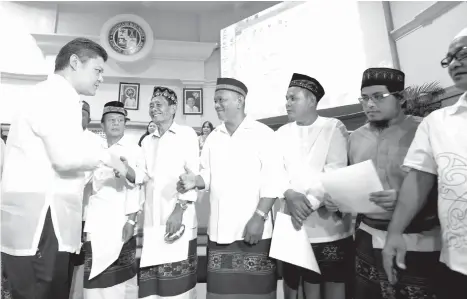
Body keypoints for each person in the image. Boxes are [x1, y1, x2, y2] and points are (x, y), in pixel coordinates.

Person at [0, 37, 127, 299]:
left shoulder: (58, 96)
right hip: (42, 217)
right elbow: (65, 158)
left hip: (46, 215)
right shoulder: (55, 96)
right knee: (41, 291)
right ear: (74, 62)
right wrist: (107, 158)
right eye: (97, 70)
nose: (101, 78)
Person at [328, 67, 441, 299]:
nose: (370, 104)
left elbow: (450, 183)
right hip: (367, 236)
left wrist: (406, 198)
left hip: (420, 237)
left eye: (379, 97)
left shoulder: (425, 130)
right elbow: (351, 181)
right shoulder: (355, 137)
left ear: (400, 98)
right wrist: (338, 200)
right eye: (365, 98)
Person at [178, 78, 282, 299]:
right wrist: (193, 181)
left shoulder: (263, 133)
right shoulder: (214, 137)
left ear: (240, 100)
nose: (216, 105)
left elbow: (273, 180)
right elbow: (207, 174)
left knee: (257, 293)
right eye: (215, 100)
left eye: (221, 100)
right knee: (220, 294)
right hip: (220, 231)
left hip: (252, 228)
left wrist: (259, 217)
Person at [383, 28, 467, 299]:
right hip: (458, 263)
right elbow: (418, 179)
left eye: (463, 54)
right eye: (449, 58)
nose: (454, 63)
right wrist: (394, 233)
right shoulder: (438, 122)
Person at [277, 73, 353, 299]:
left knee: (331, 283)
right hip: (290, 220)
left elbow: (335, 170)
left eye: (293, 98)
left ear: (311, 100)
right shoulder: (282, 132)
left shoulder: (333, 127)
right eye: (287, 98)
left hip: (325, 225)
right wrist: (289, 193)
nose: (287, 103)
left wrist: (306, 204)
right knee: (292, 283)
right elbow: (275, 170)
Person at [137, 87, 199, 299]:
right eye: (151, 105)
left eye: (159, 105)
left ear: (173, 108)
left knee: (177, 287)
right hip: (152, 217)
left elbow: (193, 175)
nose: (154, 109)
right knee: (152, 287)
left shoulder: (186, 134)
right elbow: (143, 176)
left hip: (177, 214)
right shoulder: (147, 141)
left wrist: (179, 209)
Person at [83, 101, 142, 299]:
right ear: (102, 125)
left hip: (120, 222)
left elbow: (139, 187)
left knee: (122, 285)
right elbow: (86, 186)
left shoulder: (134, 150)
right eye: (111, 120)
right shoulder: (94, 149)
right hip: (96, 222)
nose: (116, 124)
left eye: (120, 120)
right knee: (94, 284)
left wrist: (131, 220)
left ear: (125, 124)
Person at [69, 100, 105, 299]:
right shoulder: (61, 138)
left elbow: (89, 174)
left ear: (89, 118)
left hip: (84, 212)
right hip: (62, 211)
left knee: (81, 259)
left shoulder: (95, 141)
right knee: (63, 258)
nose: (78, 116)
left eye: (82, 112)